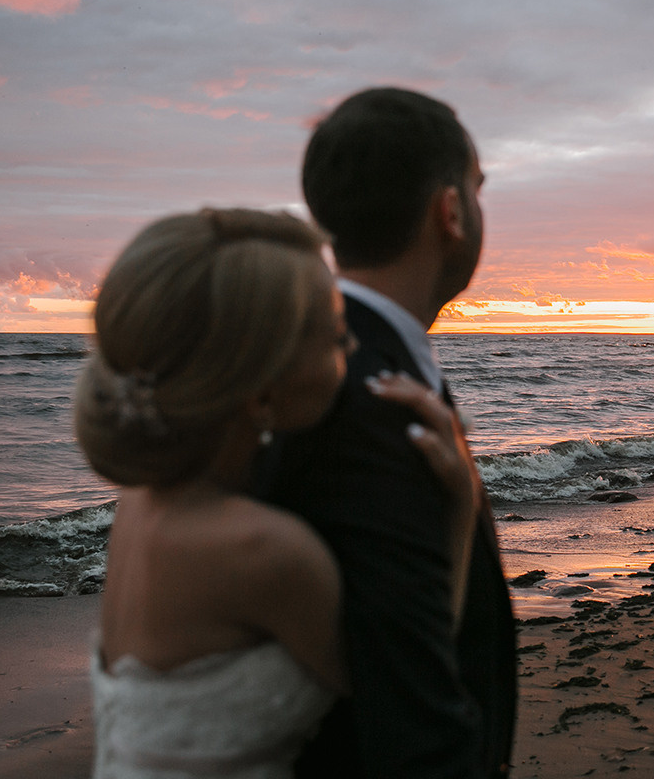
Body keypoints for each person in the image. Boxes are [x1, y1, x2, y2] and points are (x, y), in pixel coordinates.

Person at [75, 208, 478, 778]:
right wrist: (459, 508)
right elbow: (405, 678)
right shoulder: (262, 549)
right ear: (262, 397)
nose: (356, 344)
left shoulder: (138, 501)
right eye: (338, 337)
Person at [253, 88, 517, 778]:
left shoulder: (331, 361)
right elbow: (410, 725)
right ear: (450, 211)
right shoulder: (373, 399)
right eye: (477, 189)